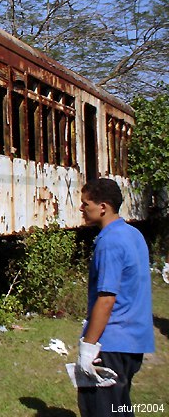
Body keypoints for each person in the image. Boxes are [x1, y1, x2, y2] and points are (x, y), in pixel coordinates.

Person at [76, 178, 155, 417]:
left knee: (100, 409)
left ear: (103, 206)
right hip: (134, 342)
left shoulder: (109, 242)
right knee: (119, 407)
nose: (81, 208)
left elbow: (107, 298)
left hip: (111, 343)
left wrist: (88, 348)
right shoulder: (133, 234)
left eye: (85, 203)